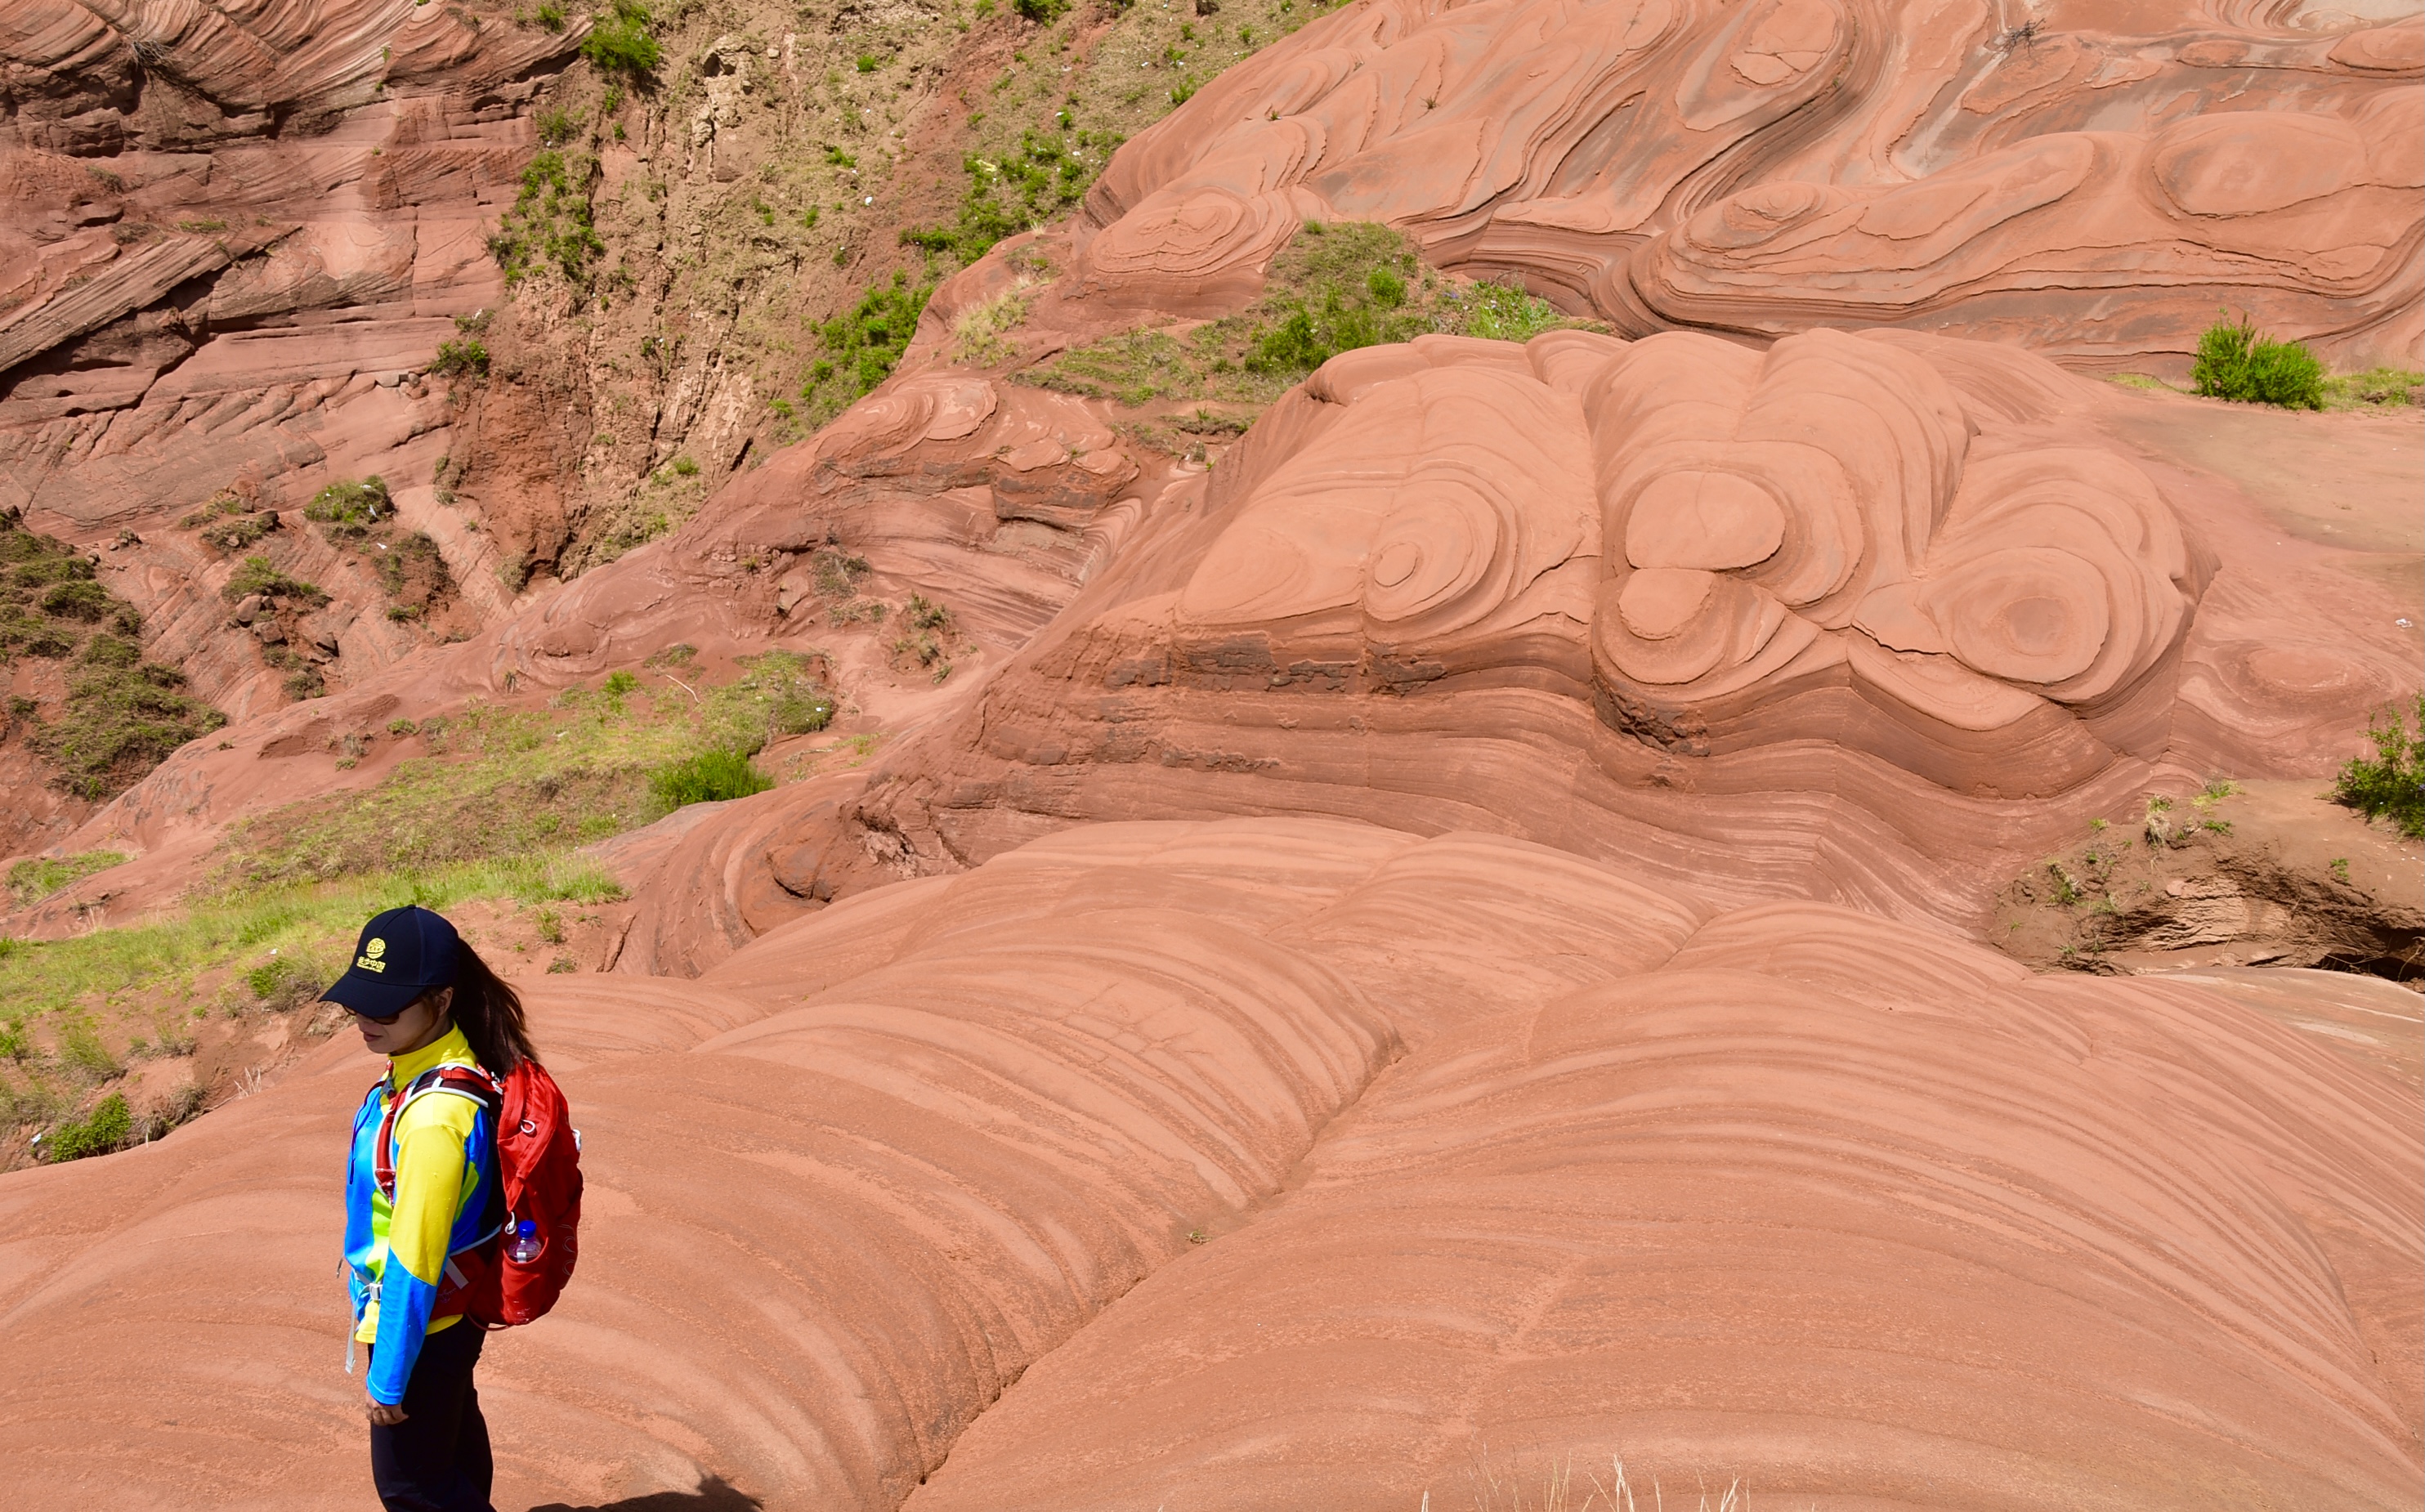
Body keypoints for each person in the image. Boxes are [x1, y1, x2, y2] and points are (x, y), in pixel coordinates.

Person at [324, 905, 535, 1512]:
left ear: (441, 1001)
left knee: (411, 1487)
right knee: (449, 1450)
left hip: (422, 1324)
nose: (366, 1021)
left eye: (386, 1009)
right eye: (358, 1004)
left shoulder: (435, 1116)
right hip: (449, 1316)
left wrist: (389, 1376)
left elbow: (414, 1261)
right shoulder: (425, 1072)